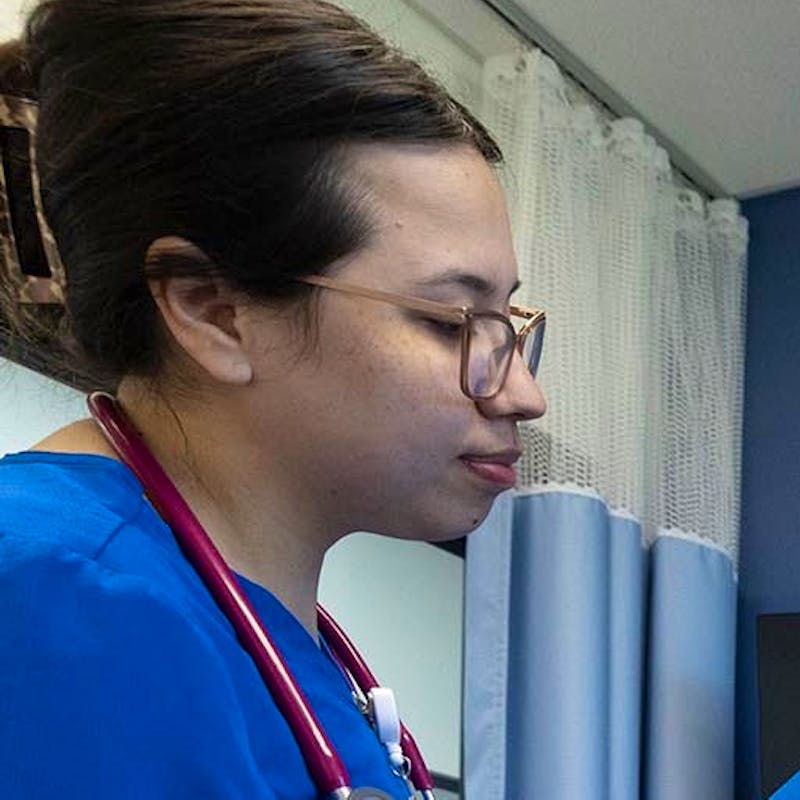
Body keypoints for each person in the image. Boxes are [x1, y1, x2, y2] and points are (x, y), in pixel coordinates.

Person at [0, 0, 546, 797]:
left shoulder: (273, 641)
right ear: (212, 312)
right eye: (448, 321)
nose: (524, 393)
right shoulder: (55, 599)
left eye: (510, 323)